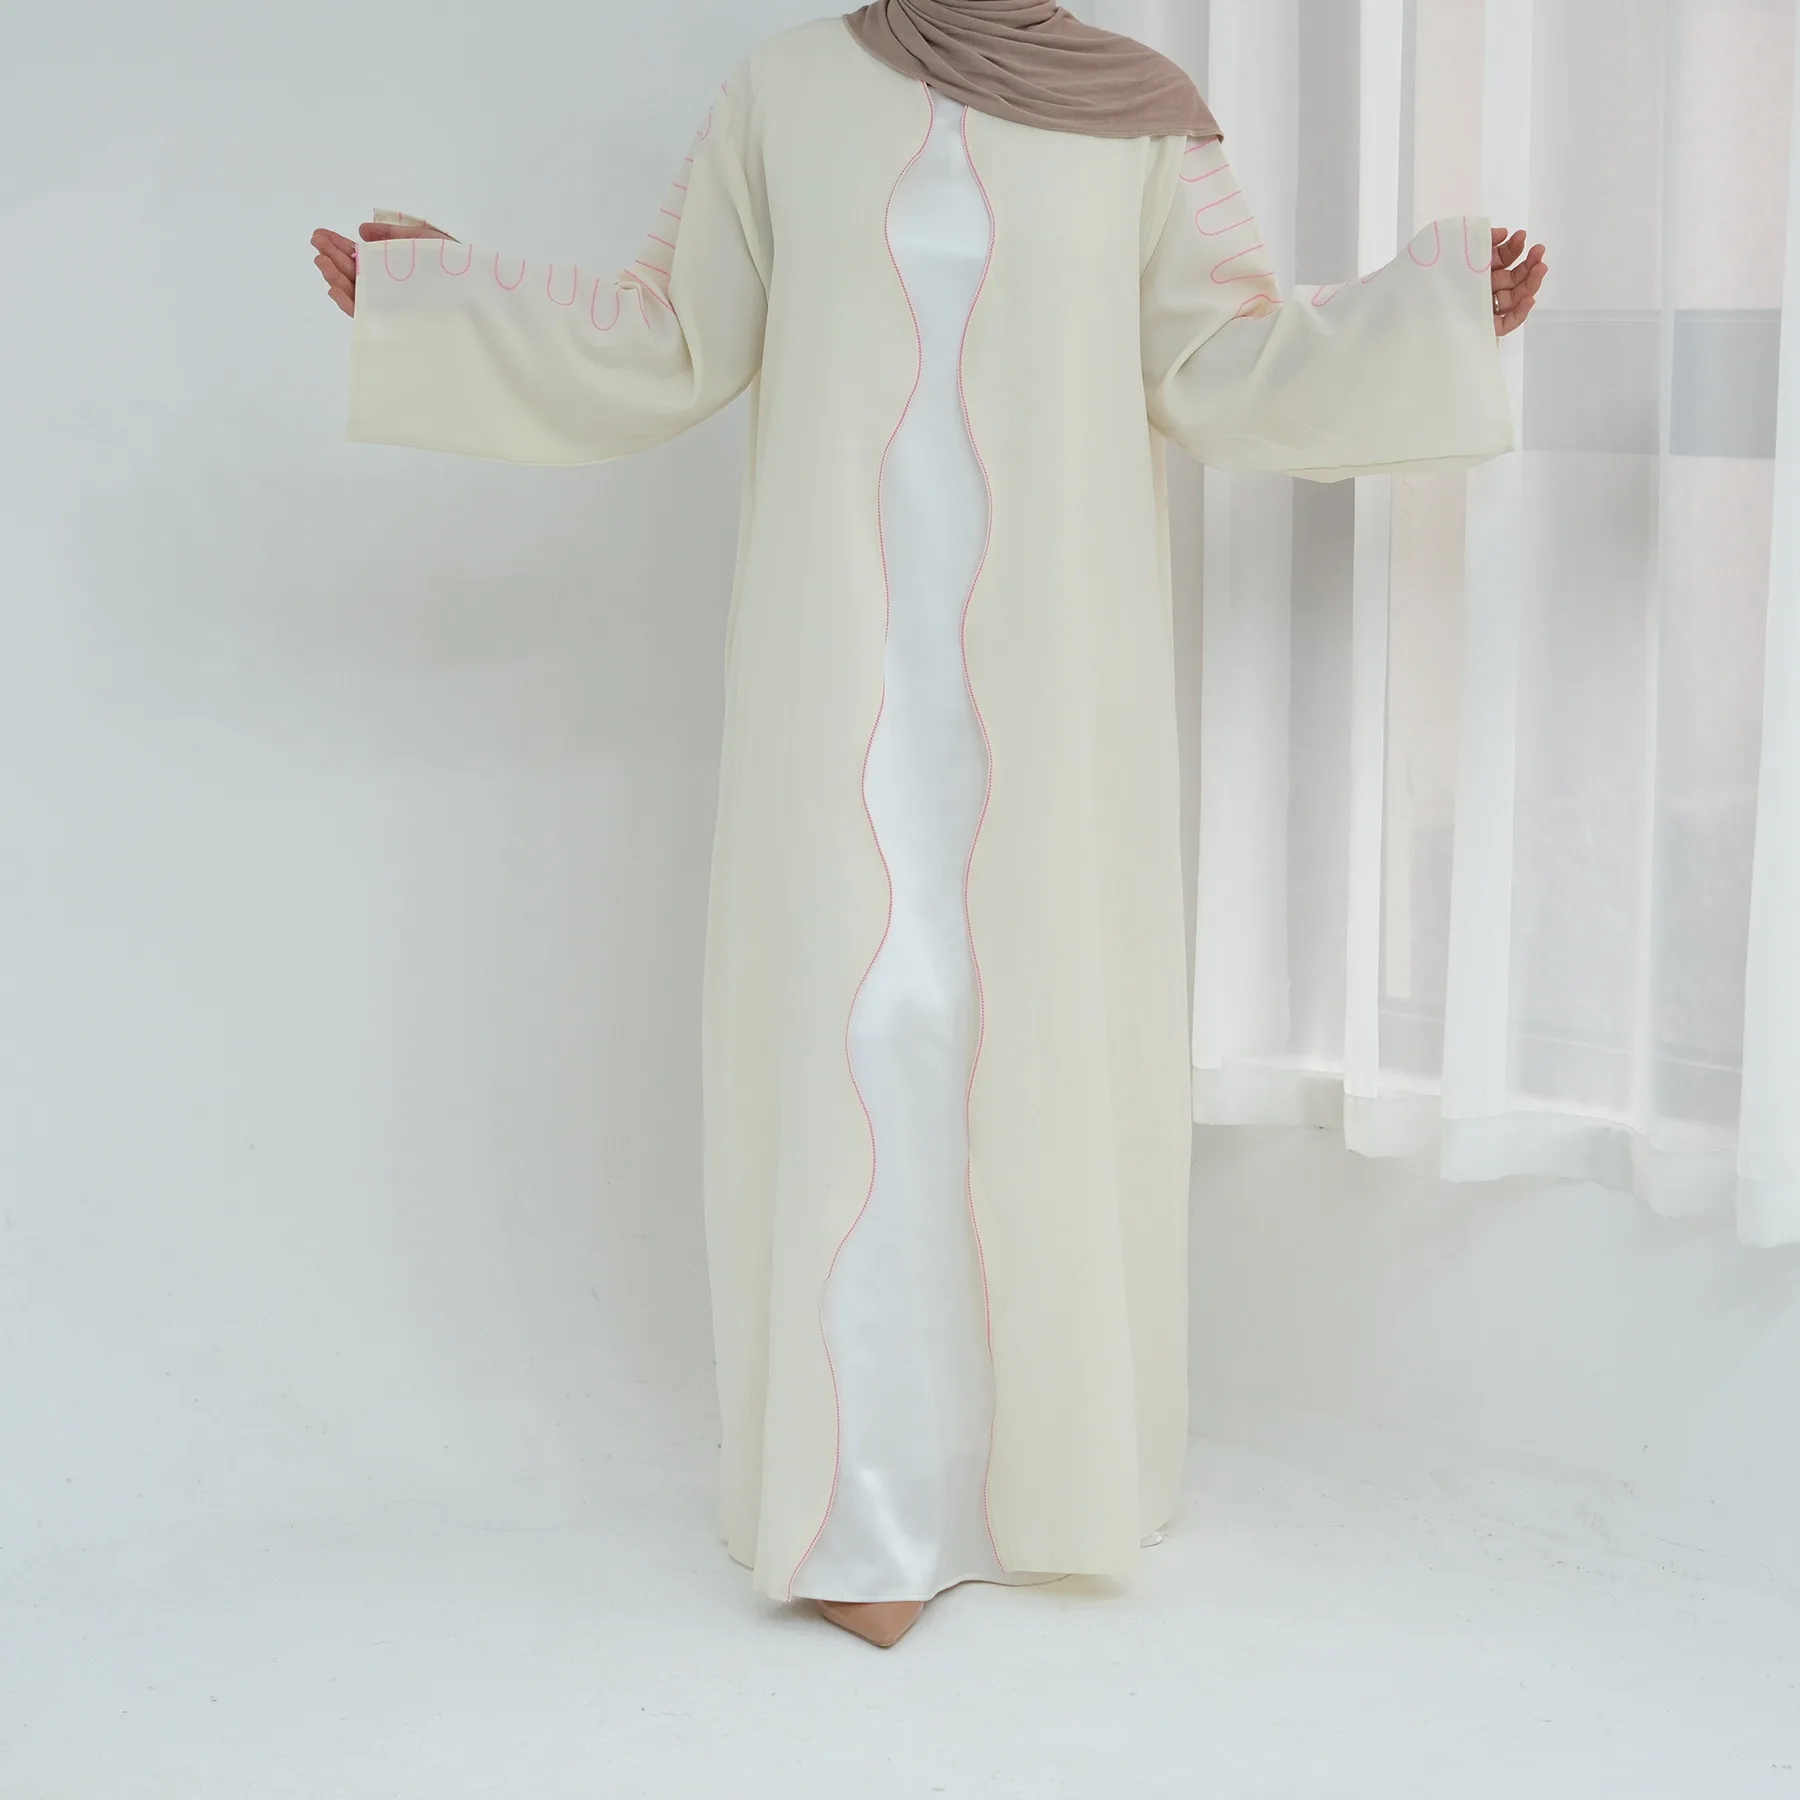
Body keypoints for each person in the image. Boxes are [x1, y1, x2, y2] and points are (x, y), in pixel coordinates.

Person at [309, 1, 1546, 1651]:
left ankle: (1032, 1486)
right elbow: (670, 332)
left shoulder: (1137, 115)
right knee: (870, 1041)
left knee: (1018, 1051)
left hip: (1052, 682)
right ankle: (868, 1513)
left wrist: (1429, 317)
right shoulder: (786, 93)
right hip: (841, 679)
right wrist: (444, 297)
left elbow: (1220, 358)